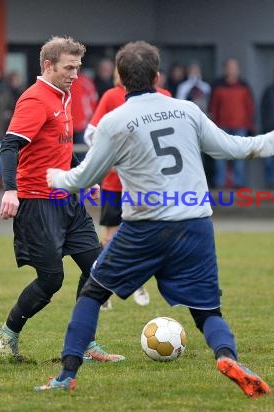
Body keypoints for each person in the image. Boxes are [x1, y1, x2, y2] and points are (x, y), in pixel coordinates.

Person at [35, 40, 274, 397]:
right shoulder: (186, 109)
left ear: (120, 80)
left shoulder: (115, 120)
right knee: (207, 310)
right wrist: (270, 140)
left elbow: (84, 178)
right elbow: (228, 147)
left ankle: (66, 375)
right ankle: (228, 356)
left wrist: (54, 178)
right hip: (195, 223)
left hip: (145, 226)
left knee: (93, 292)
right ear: (158, 76)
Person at [0, 36, 124, 364]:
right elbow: (10, 146)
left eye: (78, 68)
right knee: (51, 279)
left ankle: (85, 342)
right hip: (38, 202)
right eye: (69, 68)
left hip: (66, 199)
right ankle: (9, 331)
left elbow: (56, 153)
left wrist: (81, 181)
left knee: (97, 269)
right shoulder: (35, 100)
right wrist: (11, 190)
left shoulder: (63, 96)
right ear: (47, 66)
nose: (75, 74)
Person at [84, 67, 171, 310]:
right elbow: (91, 133)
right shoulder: (112, 96)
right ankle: (105, 288)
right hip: (115, 182)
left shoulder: (164, 96)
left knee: (147, 233)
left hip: (148, 182)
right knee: (112, 236)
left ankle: (137, 280)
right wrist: (113, 151)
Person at [208, 58, 255, 188]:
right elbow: (213, 108)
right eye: (230, 67)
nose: (233, 70)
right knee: (220, 156)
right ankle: (220, 183)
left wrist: (250, 125)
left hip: (240, 126)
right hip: (221, 126)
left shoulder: (244, 86)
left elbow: (249, 107)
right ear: (225, 69)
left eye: (235, 67)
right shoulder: (218, 85)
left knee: (239, 156)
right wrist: (213, 125)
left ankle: (239, 184)